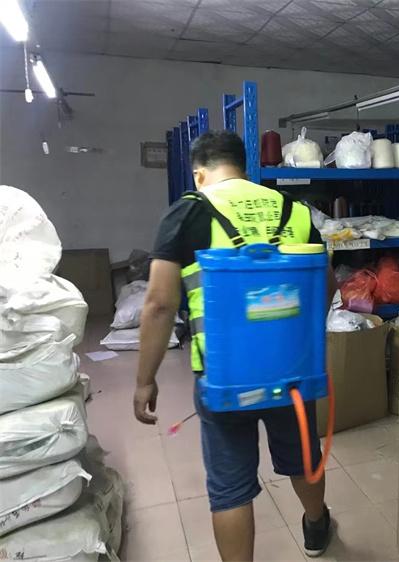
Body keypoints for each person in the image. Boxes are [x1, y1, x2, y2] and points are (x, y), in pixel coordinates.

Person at [133, 130, 334, 561]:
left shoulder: (187, 213)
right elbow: (326, 286)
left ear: (199, 174)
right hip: (291, 372)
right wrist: (296, 340)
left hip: (224, 378)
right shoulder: (294, 210)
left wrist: (144, 380)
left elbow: (159, 304)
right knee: (303, 458)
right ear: (244, 167)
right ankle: (316, 527)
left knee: (230, 489)